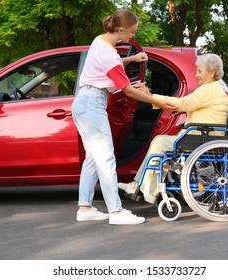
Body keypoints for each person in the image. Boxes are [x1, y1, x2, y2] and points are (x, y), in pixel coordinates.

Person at [72, 9, 175, 225]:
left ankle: (85, 207)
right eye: (132, 32)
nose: (133, 36)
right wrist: (156, 100)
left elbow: (110, 65)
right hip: (92, 104)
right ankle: (116, 212)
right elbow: (127, 90)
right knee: (106, 158)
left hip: (84, 101)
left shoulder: (100, 42)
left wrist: (132, 59)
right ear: (120, 30)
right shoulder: (109, 54)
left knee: (93, 158)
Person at [118, 53, 228, 204]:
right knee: (161, 142)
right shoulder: (213, 90)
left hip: (202, 139)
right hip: (205, 136)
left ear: (211, 73)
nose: (196, 75)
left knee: (160, 143)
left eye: (200, 71)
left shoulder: (208, 90)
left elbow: (183, 103)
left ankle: (145, 188)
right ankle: (142, 186)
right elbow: (190, 106)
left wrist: (150, 97)